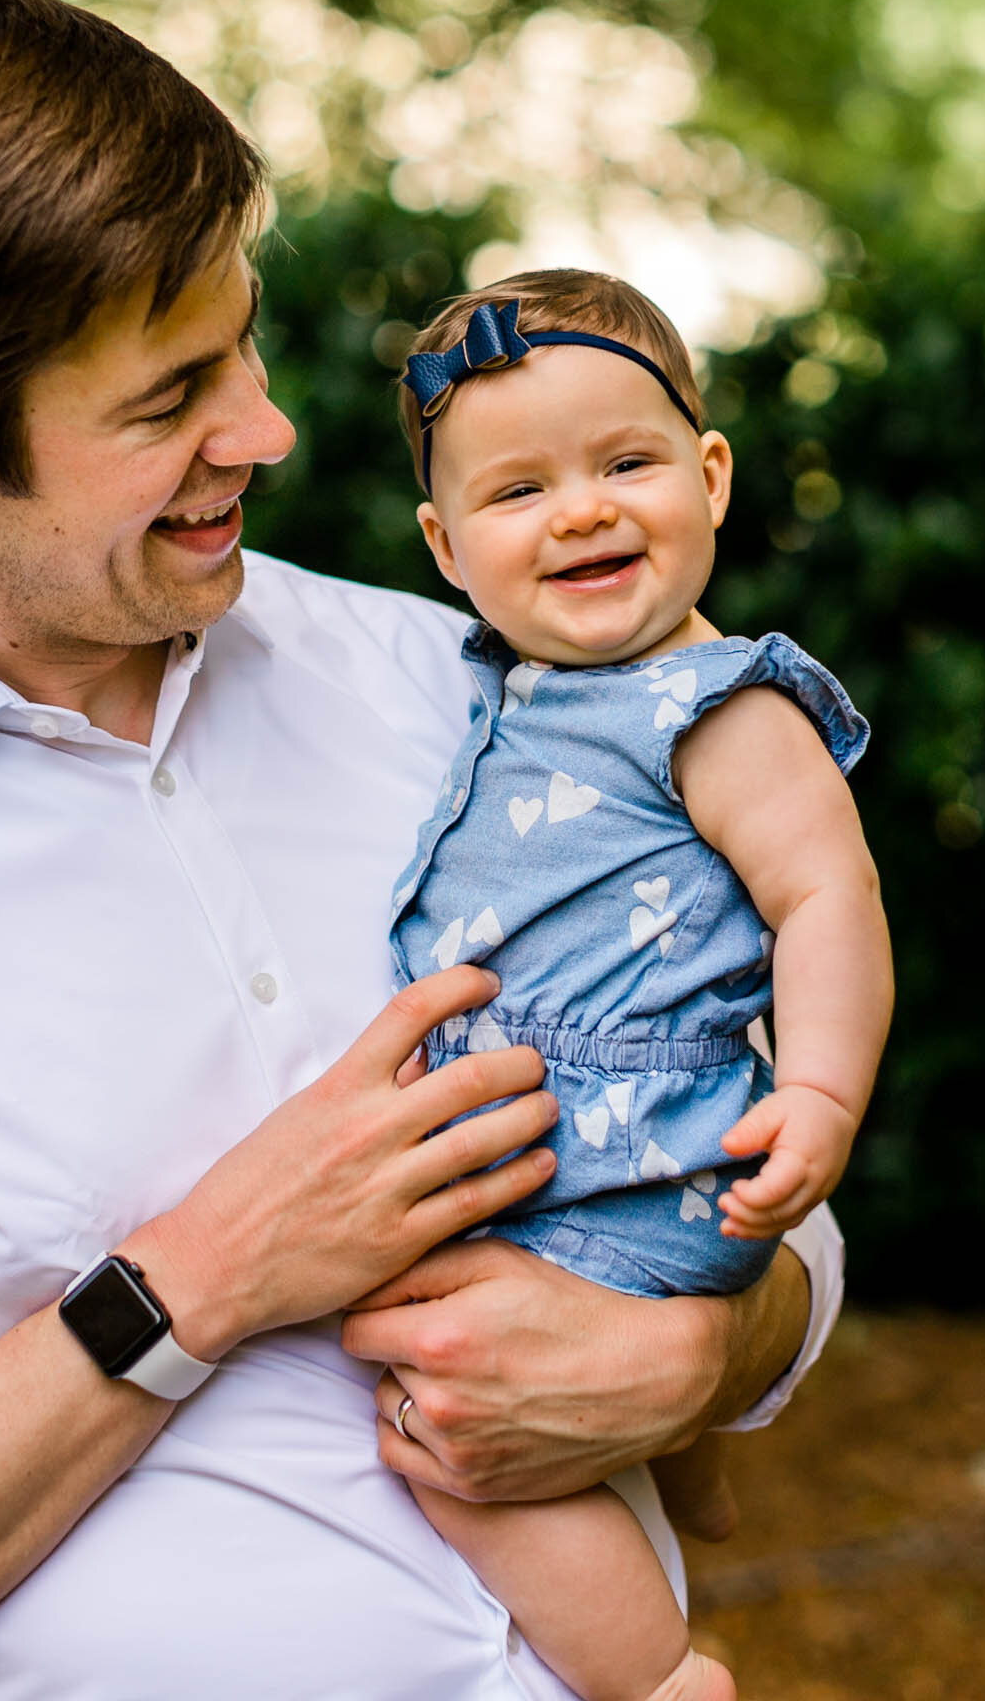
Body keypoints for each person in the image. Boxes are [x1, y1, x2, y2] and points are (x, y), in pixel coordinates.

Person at [0, 0, 842, 1701]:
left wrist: (698, 1348)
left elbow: (746, 1165)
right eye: (167, 403)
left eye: (237, 339)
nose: (266, 429)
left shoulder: (461, 682)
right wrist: (200, 1276)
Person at [388, 275, 892, 1701]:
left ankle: (656, 1674)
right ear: (444, 545)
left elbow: (823, 897)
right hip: (558, 1133)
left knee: (458, 1455)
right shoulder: (511, 677)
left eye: (625, 463)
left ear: (710, 474)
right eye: (518, 490)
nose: (581, 511)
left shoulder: (715, 705)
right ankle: (684, 1468)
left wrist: (817, 1093)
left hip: (623, 1159)